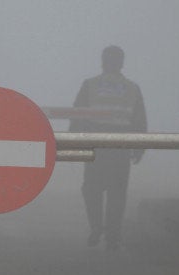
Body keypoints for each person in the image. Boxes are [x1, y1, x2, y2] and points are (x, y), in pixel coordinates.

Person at [69, 45, 147, 250]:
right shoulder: (132, 88)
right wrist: (140, 148)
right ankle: (113, 236)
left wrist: (73, 143)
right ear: (122, 63)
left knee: (91, 189)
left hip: (96, 146)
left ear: (102, 62)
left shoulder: (90, 85)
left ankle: (96, 227)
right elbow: (140, 119)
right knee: (117, 192)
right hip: (121, 147)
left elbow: (78, 116)